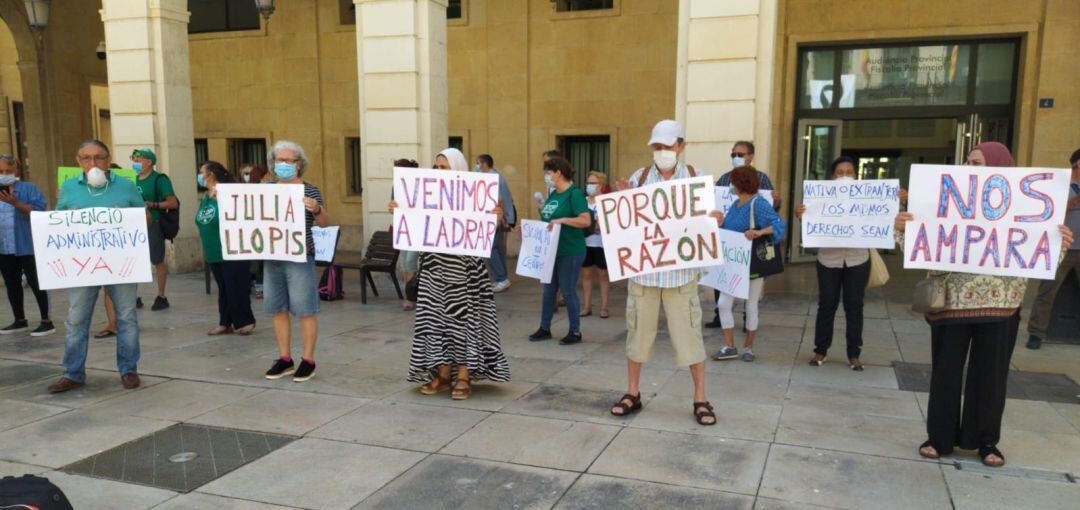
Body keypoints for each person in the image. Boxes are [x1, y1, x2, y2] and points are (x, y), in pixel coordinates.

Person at [896, 141, 1075, 467]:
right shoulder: (947, 201)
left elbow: (1041, 256)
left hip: (1002, 305)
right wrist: (902, 228)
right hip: (951, 301)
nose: (969, 167)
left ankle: (985, 442)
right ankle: (940, 438)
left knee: (991, 376)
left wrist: (1057, 243)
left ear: (997, 167)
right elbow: (919, 242)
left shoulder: (1023, 205)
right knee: (946, 372)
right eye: (968, 161)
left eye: (977, 162)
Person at [608, 119, 716, 426]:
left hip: (681, 277)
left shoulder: (696, 179)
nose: (662, 152)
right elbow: (622, 230)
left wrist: (714, 218)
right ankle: (632, 393)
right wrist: (620, 204)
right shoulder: (639, 178)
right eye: (657, 147)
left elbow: (706, 224)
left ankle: (700, 397)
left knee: (690, 337)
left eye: (668, 146)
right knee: (638, 335)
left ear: (681, 146)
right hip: (644, 276)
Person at [389, 148, 510, 400]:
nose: (439, 172)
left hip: (465, 270)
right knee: (435, 322)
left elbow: (487, 228)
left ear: (457, 168)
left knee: (463, 323)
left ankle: (463, 375)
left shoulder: (474, 194)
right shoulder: (427, 195)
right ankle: (443, 374)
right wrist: (400, 210)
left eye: (444, 167)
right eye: (437, 167)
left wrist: (495, 217)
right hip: (434, 268)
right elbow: (416, 222)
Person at [48, 140, 147, 394]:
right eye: (86, 158)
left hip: (121, 263)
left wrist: (125, 218)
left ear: (108, 158)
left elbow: (145, 216)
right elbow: (58, 221)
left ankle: (128, 369)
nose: (93, 163)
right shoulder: (69, 188)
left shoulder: (126, 186)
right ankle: (73, 372)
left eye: (99, 158)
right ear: (78, 161)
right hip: (83, 266)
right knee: (76, 318)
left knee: (126, 316)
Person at [262, 141, 330, 382]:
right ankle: (284, 358)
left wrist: (317, 209)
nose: (284, 164)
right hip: (272, 257)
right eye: (280, 160)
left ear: (299, 165)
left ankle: (308, 360)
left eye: (290, 161)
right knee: (277, 309)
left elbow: (324, 223)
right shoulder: (266, 188)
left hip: (300, 257)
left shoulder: (309, 191)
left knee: (305, 309)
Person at [795, 156, 868, 370]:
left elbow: (882, 217)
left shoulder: (867, 199)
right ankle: (820, 351)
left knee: (855, 307)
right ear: (831, 176)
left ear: (856, 176)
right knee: (826, 305)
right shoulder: (820, 198)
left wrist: (896, 200)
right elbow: (811, 220)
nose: (844, 176)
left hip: (857, 258)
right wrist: (802, 215)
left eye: (849, 172)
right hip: (828, 259)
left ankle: (854, 354)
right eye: (839, 172)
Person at [712, 166, 786, 362]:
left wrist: (759, 232)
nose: (730, 186)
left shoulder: (758, 204)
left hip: (753, 263)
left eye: (733, 181)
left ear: (739, 183)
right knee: (723, 303)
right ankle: (730, 346)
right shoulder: (736, 203)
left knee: (751, 304)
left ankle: (748, 347)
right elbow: (728, 229)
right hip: (735, 263)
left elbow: (779, 224)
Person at [708, 141, 780, 328]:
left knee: (750, 295)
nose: (736, 158)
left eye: (740, 154)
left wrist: (776, 201)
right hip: (729, 242)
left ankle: (748, 325)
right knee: (723, 285)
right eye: (733, 155)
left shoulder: (762, 179)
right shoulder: (724, 179)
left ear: (751, 156)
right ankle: (721, 319)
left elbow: (773, 214)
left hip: (750, 246)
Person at [528, 157, 590, 345]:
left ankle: (575, 331)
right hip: (551, 250)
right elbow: (549, 220)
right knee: (548, 291)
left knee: (568, 290)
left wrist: (563, 220)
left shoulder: (574, 194)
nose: (547, 176)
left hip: (570, 250)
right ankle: (544, 327)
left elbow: (585, 220)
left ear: (558, 173)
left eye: (549, 172)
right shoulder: (554, 194)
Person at [1026, 148, 1080, 350]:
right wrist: (1076, 201)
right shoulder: (1060, 185)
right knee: (1047, 292)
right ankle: (1036, 334)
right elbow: (1050, 212)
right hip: (1061, 249)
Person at [196, 161, 256, 336]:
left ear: (212, 175)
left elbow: (239, 214)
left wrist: (222, 199)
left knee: (236, 286)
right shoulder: (206, 196)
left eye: (202, 173)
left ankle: (245, 321)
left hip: (232, 248)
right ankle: (225, 322)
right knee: (223, 288)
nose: (200, 177)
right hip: (214, 250)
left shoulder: (229, 192)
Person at [0, 155, 53, 336]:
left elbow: (39, 211)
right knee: (11, 283)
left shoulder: (28, 189)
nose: (4, 174)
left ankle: (46, 320)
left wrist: (16, 203)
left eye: (8, 171)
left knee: (36, 282)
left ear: (16, 171)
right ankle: (19, 320)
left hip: (27, 244)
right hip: (4, 246)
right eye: (1, 172)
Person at [131, 148, 177, 311]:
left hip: (154, 223)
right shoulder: (131, 180)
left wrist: (153, 205)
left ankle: (161, 295)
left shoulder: (160, 179)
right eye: (133, 159)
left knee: (157, 260)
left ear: (149, 162)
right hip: (134, 225)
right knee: (133, 260)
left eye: (138, 159)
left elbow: (172, 203)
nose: (135, 162)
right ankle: (134, 296)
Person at [476, 154, 516, 293]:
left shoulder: (491, 177)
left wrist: (498, 219)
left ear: (484, 164)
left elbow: (498, 199)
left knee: (490, 249)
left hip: (494, 219)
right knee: (497, 249)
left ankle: (501, 278)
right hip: (499, 218)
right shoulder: (496, 175)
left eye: (478, 163)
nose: (476, 166)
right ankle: (502, 278)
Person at [580, 171, 611, 318]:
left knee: (603, 274)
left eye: (593, 183)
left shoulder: (606, 202)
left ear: (601, 185)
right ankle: (586, 306)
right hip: (585, 243)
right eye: (588, 183)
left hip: (602, 244)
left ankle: (604, 307)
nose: (589, 186)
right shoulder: (582, 201)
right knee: (586, 274)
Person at [395, 158, 421, 310]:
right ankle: (409, 294)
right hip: (403, 229)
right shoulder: (396, 185)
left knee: (411, 261)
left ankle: (411, 298)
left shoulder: (419, 184)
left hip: (417, 229)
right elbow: (394, 204)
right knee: (405, 262)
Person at [247, 164, 269, 299]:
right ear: (264, 176)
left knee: (256, 262)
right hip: (264, 231)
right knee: (263, 262)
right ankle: (261, 289)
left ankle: (256, 287)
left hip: (252, 231)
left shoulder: (247, 189)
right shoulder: (266, 189)